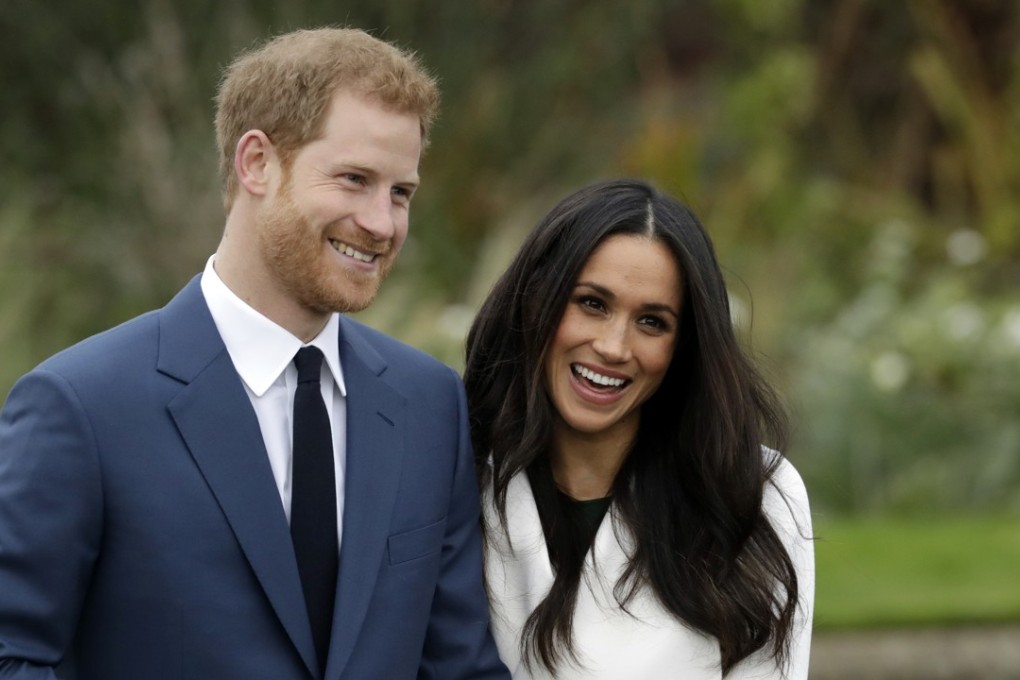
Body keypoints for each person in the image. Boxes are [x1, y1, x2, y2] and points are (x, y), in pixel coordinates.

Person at [0, 28, 508, 679]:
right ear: (257, 163)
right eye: (354, 179)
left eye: (400, 192)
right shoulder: (82, 406)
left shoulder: (430, 402)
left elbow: (459, 667)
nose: (383, 224)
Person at [464, 178, 814, 679]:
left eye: (652, 322)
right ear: (535, 300)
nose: (613, 346)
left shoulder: (754, 492)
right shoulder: (460, 477)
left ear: (683, 347)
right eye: (591, 303)